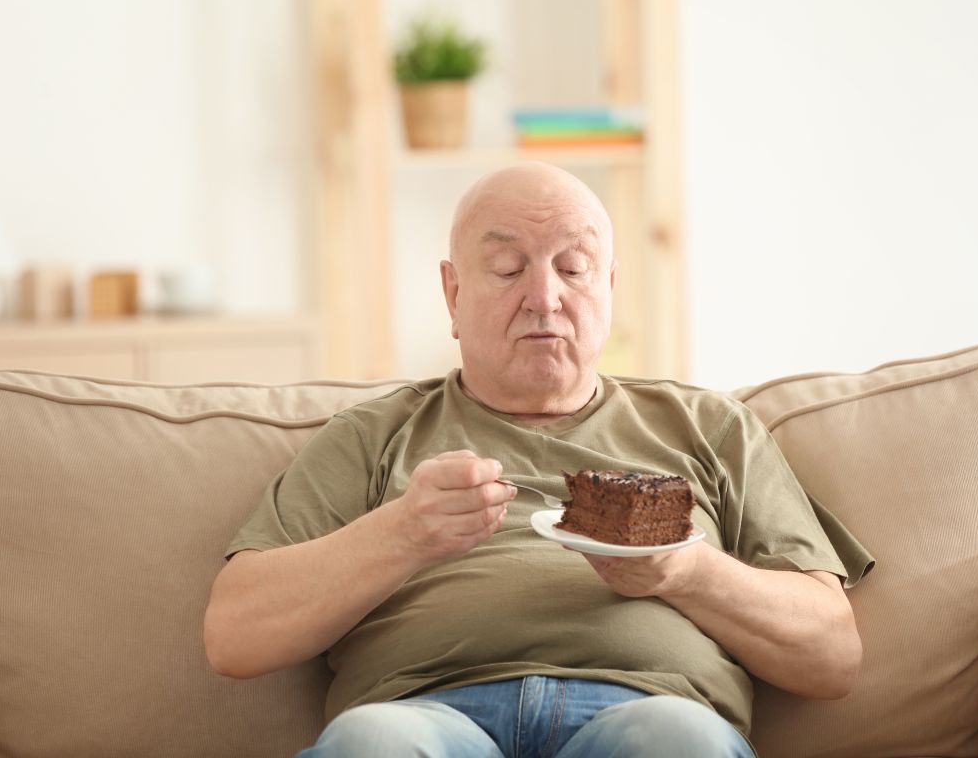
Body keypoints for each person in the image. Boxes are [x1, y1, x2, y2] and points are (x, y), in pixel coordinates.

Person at [204, 162, 874, 758]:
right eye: (505, 268)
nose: (545, 296)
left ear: (608, 287)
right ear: (453, 294)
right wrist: (401, 535)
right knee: (370, 744)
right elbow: (234, 636)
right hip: (423, 718)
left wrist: (683, 569)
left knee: (680, 741)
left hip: (645, 714)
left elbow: (832, 657)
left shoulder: (712, 427)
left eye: (573, 269)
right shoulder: (373, 435)